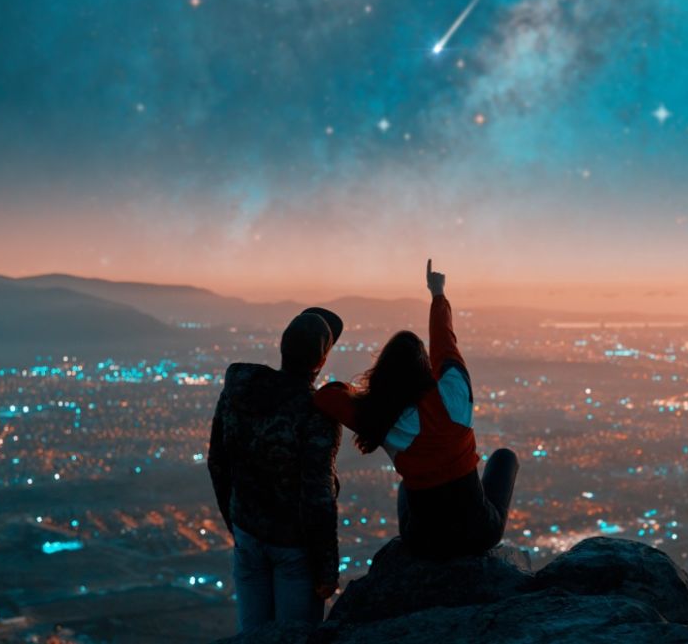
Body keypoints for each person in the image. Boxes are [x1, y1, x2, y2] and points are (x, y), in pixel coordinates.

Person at [314, 259, 518, 560]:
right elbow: (445, 343)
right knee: (504, 458)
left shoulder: (379, 417)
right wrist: (438, 293)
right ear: (425, 368)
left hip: (424, 543)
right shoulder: (455, 396)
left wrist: (365, 395)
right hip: (478, 535)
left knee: (406, 490)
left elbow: (326, 398)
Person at [207, 307, 344, 632]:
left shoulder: (239, 391)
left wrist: (235, 520)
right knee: (294, 637)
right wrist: (327, 570)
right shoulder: (315, 413)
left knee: (253, 635)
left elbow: (217, 461)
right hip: (293, 548)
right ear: (321, 362)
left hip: (247, 534)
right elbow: (317, 495)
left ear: (282, 349)